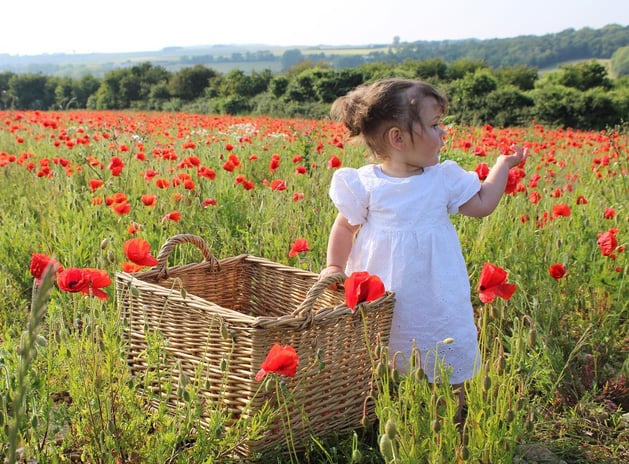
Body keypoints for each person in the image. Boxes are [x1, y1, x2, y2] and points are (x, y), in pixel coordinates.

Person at [319, 78, 528, 423]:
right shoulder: (365, 183)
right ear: (397, 139)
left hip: (434, 291)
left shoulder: (442, 177)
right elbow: (344, 226)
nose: (443, 133)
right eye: (434, 125)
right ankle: (378, 412)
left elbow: (482, 203)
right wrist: (332, 266)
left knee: (442, 340)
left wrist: (502, 166)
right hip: (383, 292)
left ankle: (451, 415)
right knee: (382, 348)